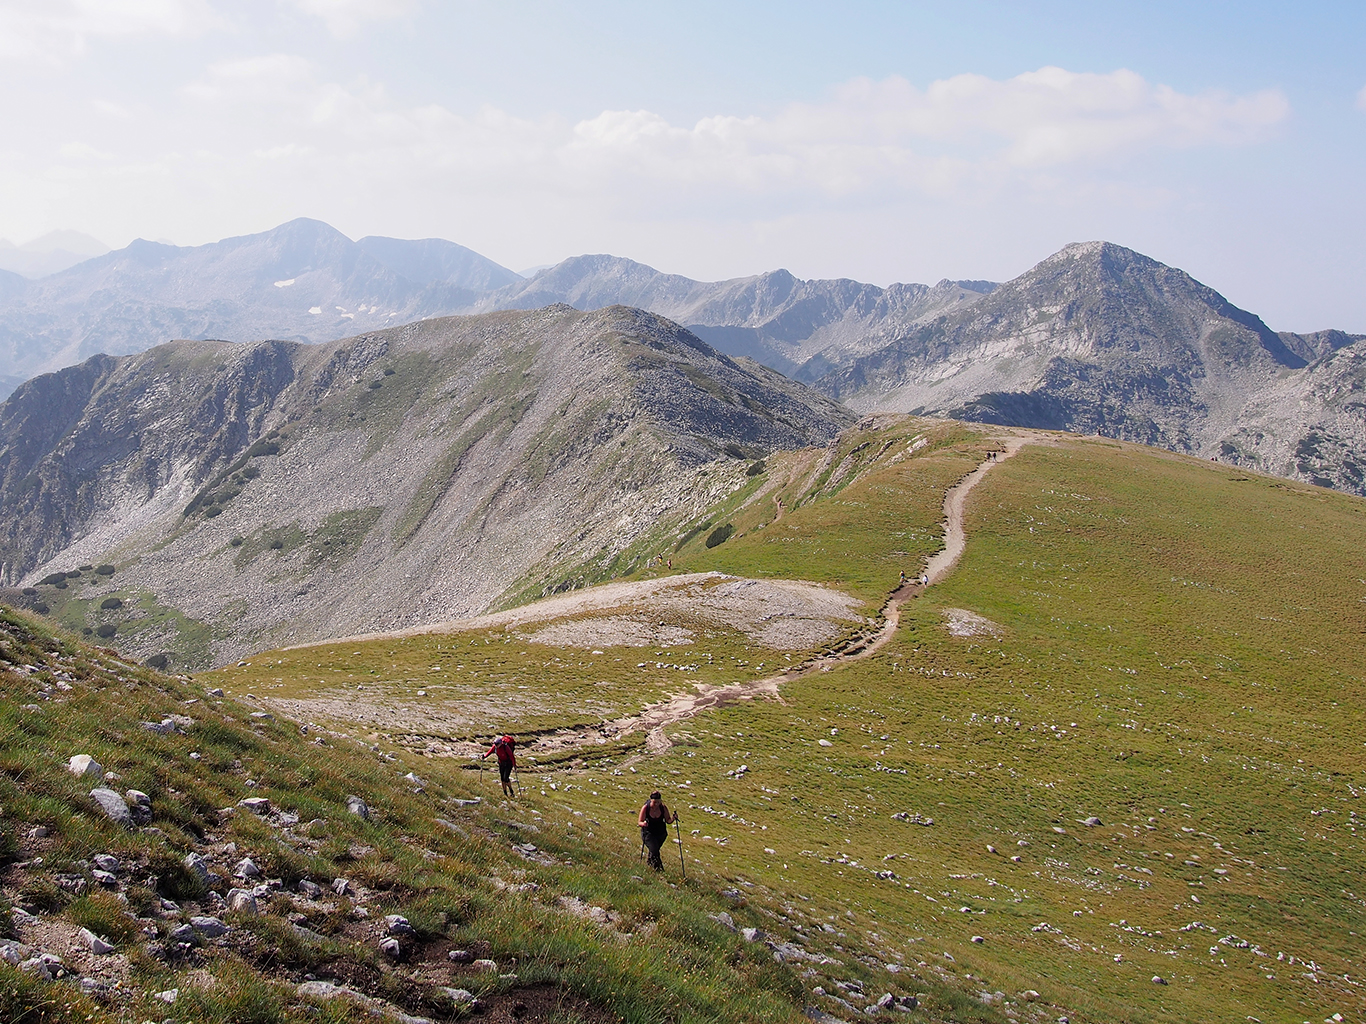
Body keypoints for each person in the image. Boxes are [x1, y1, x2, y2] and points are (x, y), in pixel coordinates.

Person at [638, 790, 676, 871]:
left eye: (658, 802)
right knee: (654, 850)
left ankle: (649, 865)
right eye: (654, 802)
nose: (656, 804)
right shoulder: (646, 808)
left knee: (654, 850)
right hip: (648, 833)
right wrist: (644, 824)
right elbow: (639, 822)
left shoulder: (663, 808)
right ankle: (659, 870)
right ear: (651, 800)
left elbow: (668, 820)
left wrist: (673, 818)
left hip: (660, 834)